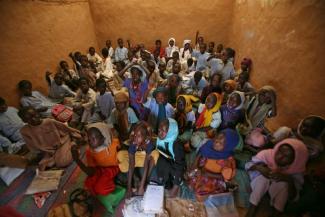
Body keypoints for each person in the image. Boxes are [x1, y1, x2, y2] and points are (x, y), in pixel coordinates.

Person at [245, 138, 308, 217]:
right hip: (259, 184)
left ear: (295, 160)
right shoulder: (267, 154)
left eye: (286, 156)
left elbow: (294, 197)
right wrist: (259, 168)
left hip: (276, 189)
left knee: (284, 184)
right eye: (280, 151)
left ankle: (276, 212)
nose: (280, 156)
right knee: (263, 179)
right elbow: (247, 165)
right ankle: (252, 207)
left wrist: (288, 179)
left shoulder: (297, 169)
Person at [189, 129, 240, 198]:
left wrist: (207, 174)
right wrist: (195, 164)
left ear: (228, 147)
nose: (216, 142)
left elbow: (224, 177)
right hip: (202, 168)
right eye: (217, 138)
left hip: (213, 177)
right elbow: (201, 152)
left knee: (202, 191)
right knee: (189, 176)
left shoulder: (227, 161)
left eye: (221, 143)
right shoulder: (209, 144)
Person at [71, 123, 120, 196]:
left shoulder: (114, 145)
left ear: (103, 138)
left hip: (112, 168)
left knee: (100, 188)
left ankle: (113, 184)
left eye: (93, 138)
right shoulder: (90, 151)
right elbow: (91, 172)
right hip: (99, 169)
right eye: (89, 139)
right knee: (88, 184)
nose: (90, 141)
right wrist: (77, 159)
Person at [117, 121, 158, 198]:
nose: (136, 138)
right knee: (120, 155)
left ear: (145, 137)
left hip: (145, 158)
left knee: (155, 154)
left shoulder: (149, 143)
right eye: (135, 135)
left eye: (139, 136)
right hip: (138, 156)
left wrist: (142, 186)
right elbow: (131, 164)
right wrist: (128, 188)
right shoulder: (133, 142)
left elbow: (146, 164)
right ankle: (136, 178)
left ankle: (145, 180)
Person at [156, 118, 185, 197]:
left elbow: (180, 166)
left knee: (165, 164)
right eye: (159, 130)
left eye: (163, 130)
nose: (159, 132)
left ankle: (174, 184)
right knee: (159, 159)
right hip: (166, 164)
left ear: (171, 131)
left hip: (175, 169)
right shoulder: (160, 140)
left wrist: (175, 187)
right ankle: (164, 180)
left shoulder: (176, 145)